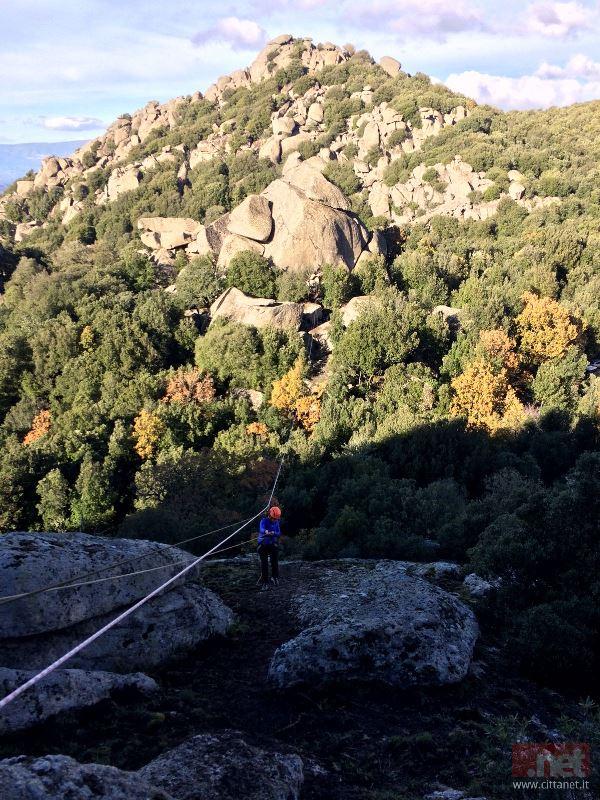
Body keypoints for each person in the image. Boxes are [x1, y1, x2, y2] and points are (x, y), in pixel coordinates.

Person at [257, 506, 281, 590]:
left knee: (275, 560)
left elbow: (278, 533)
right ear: (270, 516)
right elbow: (261, 528)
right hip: (263, 544)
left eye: (276, 519)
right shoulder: (264, 521)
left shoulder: (276, 522)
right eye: (273, 518)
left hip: (272, 543)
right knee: (264, 563)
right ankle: (265, 582)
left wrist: (274, 533)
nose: (274, 520)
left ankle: (274, 577)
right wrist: (266, 531)